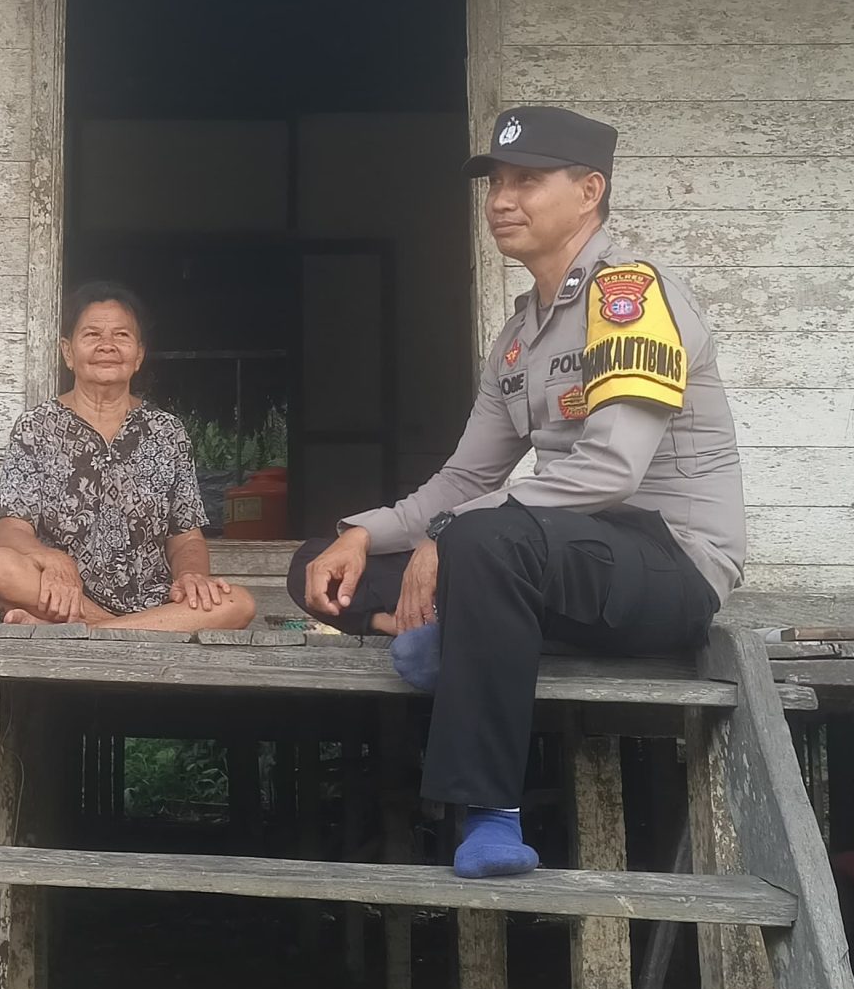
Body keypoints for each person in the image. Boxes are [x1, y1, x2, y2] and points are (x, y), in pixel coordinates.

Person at [293, 106, 744, 878]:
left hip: (667, 562)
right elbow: (465, 479)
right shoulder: (516, 338)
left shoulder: (632, 295)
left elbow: (611, 471)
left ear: (590, 191)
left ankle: (490, 815)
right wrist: (361, 533)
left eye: (527, 181)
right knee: (318, 562)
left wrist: (450, 536)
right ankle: (466, 632)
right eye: (496, 183)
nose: (502, 200)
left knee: (480, 540)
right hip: (546, 561)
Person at [0, 282, 256, 633]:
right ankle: (131, 630)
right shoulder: (36, 426)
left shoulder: (167, 431)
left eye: (121, 335)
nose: (106, 345)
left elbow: (186, 536)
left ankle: (91, 631)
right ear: (68, 352)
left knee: (239, 602)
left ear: (138, 355)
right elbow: (12, 528)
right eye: (92, 334)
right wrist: (49, 558)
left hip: (153, 600)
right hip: (62, 595)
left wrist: (191, 576)